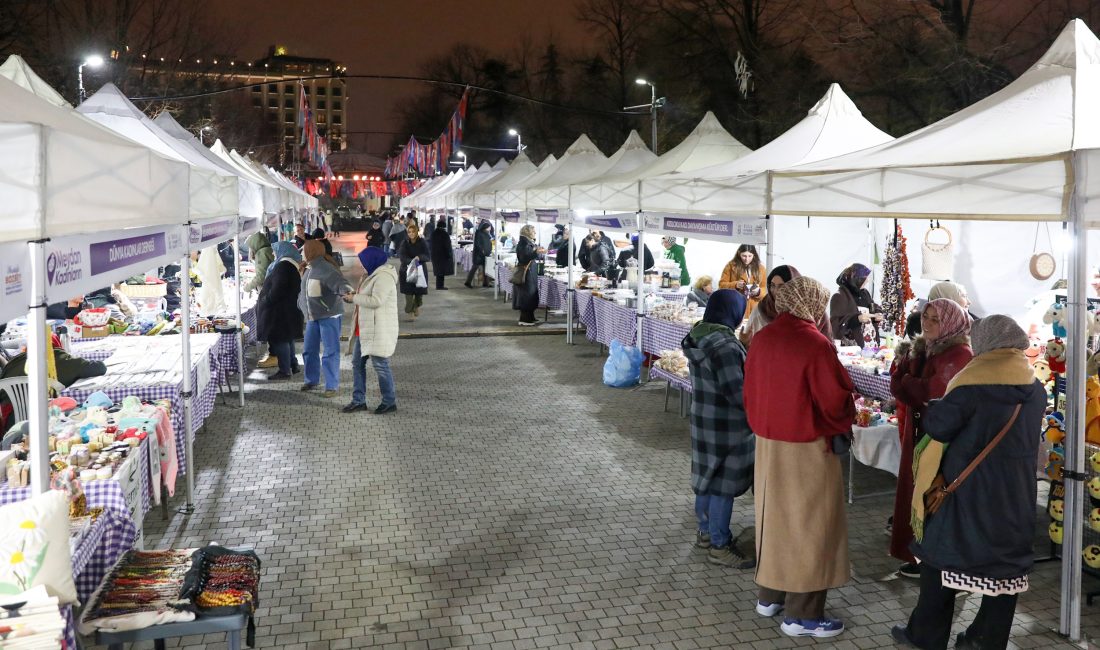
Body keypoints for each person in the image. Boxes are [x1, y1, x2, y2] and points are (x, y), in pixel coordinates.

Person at [891, 315, 1046, 650]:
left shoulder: (974, 385)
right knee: (1004, 570)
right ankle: (984, 641)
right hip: (1015, 495)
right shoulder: (1035, 388)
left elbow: (939, 426)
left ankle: (925, 636)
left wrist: (937, 406)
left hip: (966, 492)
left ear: (985, 343)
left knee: (940, 563)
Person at [744, 276, 855, 639]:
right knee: (810, 526)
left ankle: (770, 596)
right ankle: (803, 615)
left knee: (775, 519)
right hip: (806, 447)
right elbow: (834, 400)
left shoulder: (764, 337)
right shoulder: (814, 343)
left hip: (767, 443)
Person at [889, 298, 973, 579]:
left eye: (936, 319)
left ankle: (936, 564)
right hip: (921, 433)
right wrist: (908, 382)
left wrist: (908, 381)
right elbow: (898, 384)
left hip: (942, 440)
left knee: (933, 494)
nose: (927, 323)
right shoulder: (923, 349)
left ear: (950, 323)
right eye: (925, 316)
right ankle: (919, 556)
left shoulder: (958, 354)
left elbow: (932, 392)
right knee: (917, 492)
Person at [681, 289, 756, 568]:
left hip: (704, 418)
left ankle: (705, 533)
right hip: (728, 426)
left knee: (706, 478)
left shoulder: (699, 335)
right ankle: (719, 545)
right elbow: (737, 392)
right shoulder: (725, 345)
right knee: (722, 486)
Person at [342, 247, 399, 415]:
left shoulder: (384, 277)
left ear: (372, 260)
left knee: (380, 365)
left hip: (377, 330)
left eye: (363, 261)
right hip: (364, 329)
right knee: (357, 364)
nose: (361, 265)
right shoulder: (370, 275)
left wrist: (354, 298)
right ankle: (358, 401)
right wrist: (354, 294)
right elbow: (367, 295)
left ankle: (389, 401)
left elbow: (376, 300)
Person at [298, 240, 350, 396]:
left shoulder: (326, 268)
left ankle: (331, 386)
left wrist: (348, 292)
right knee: (309, 350)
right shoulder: (308, 269)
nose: (301, 253)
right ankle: (311, 380)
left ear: (311, 251)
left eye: (303, 250)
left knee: (330, 351)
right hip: (312, 317)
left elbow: (341, 283)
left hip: (329, 316)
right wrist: (300, 305)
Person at [742, 266, 832, 344]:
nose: (776, 291)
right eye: (772, 285)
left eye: (781, 286)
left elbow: (828, 346)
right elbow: (749, 343)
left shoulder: (815, 312)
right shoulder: (761, 310)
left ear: (795, 288)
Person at [256, 242, 304, 380]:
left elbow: (278, 289)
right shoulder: (290, 265)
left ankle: (284, 370)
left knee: (280, 339)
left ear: (282, 250)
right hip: (287, 310)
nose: (273, 253)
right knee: (287, 338)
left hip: (280, 312)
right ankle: (293, 364)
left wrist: (266, 300)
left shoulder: (283, 266)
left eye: (274, 250)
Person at [829, 263, 884, 347]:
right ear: (856, 279)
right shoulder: (839, 296)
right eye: (865, 278)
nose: (867, 281)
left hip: (871, 344)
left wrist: (878, 313)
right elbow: (835, 324)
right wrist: (857, 319)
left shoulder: (864, 293)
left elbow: (873, 306)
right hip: (852, 347)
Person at [907, 281, 979, 337]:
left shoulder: (975, 326)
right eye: (964, 296)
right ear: (947, 299)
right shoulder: (918, 323)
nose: (969, 302)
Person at [719, 244, 766, 322]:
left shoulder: (761, 268)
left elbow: (765, 289)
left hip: (754, 309)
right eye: (744, 256)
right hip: (735, 306)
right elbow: (721, 285)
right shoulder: (730, 266)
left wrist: (758, 292)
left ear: (754, 255)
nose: (747, 259)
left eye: (750, 256)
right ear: (739, 253)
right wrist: (735, 285)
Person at [513, 225, 544, 326]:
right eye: (533, 231)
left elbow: (530, 255)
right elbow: (524, 258)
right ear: (527, 232)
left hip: (530, 272)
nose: (535, 233)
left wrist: (537, 252)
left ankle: (530, 317)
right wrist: (536, 252)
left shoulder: (528, 242)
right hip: (526, 272)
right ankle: (524, 319)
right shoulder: (524, 243)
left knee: (531, 294)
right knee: (526, 295)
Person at [398, 222, 430, 320]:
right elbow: (402, 256)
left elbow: (427, 256)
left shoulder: (422, 242)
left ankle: (417, 306)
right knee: (408, 293)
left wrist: (419, 258)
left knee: (419, 294)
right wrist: (412, 261)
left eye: (413, 232)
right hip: (406, 270)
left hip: (420, 270)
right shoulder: (404, 243)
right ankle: (410, 312)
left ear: (416, 232)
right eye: (409, 232)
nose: (411, 234)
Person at [465, 221, 495, 288]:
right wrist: (482, 251)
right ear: (486, 227)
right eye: (489, 227)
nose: (490, 228)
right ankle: (468, 282)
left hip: (485, 254)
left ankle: (485, 283)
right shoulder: (479, 233)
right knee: (474, 268)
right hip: (479, 255)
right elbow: (478, 244)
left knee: (485, 269)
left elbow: (487, 243)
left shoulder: (487, 234)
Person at [429, 220, 454, 290]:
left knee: (438, 271)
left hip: (435, 255)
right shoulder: (444, 234)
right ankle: (440, 286)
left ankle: (439, 285)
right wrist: (449, 255)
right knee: (441, 271)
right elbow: (447, 246)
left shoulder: (433, 233)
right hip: (442, 256)